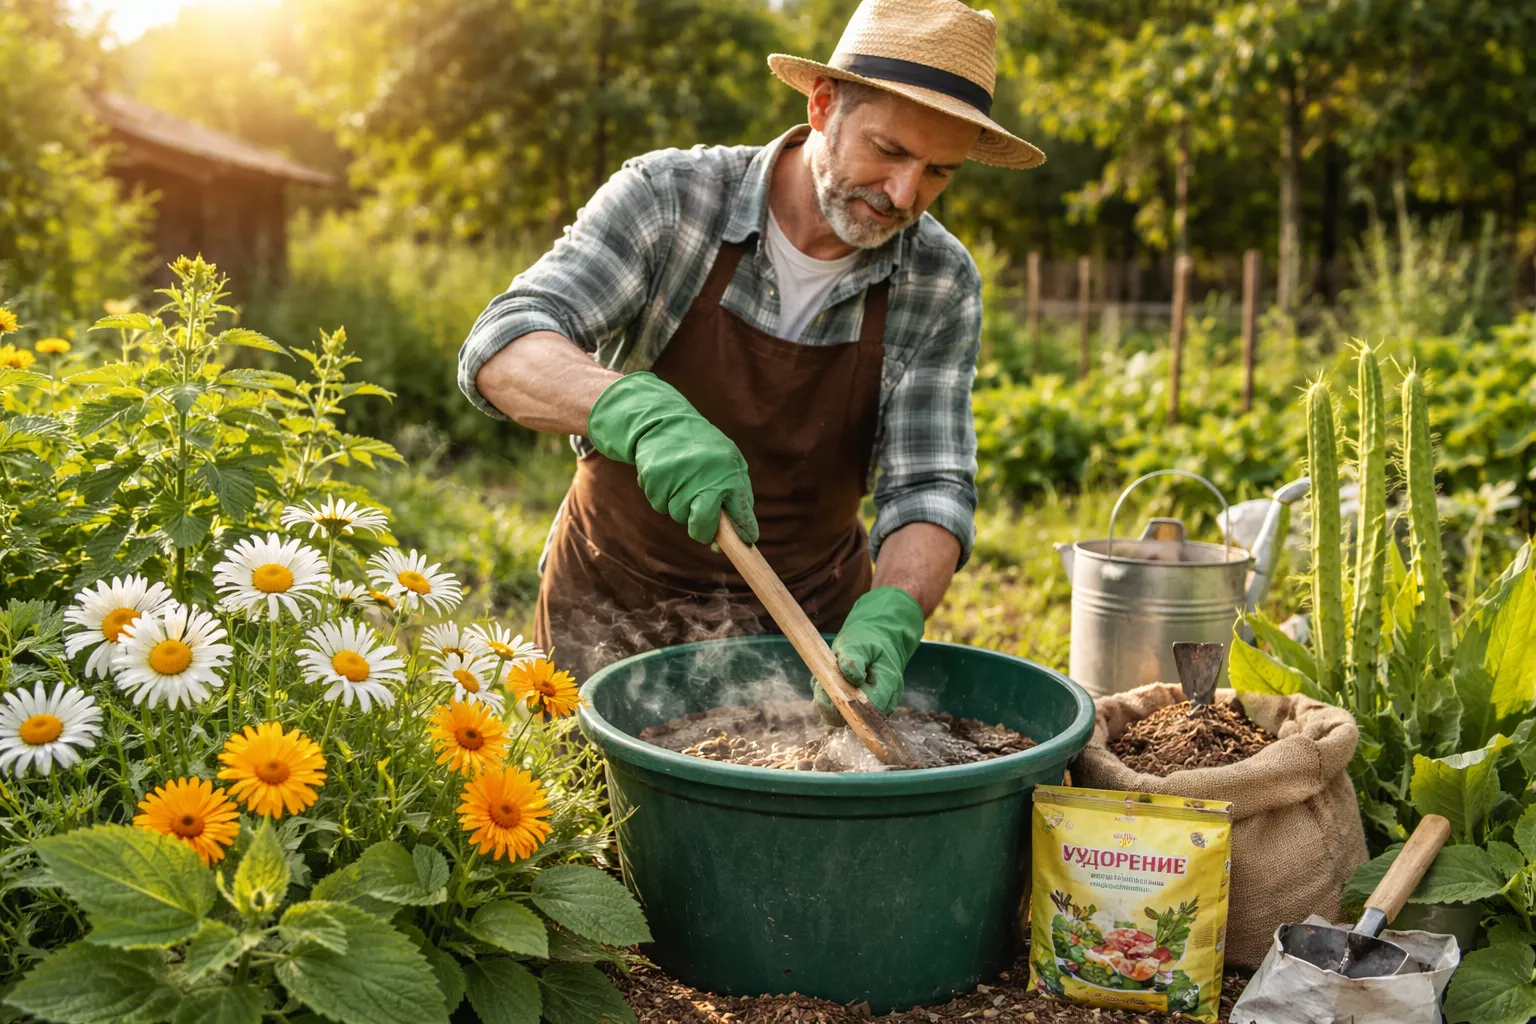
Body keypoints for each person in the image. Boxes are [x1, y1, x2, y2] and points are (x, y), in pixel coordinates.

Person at [458, 0, 1044, 719]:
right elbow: (503, 344)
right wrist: (632, 412)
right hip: (611, 612)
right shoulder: (671, 202)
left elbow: (929, 487)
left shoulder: (940, 282)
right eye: (890, 152)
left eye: (939, 173)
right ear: (823, 105)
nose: (904, 195)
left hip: (802, 641)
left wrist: (893, 609)